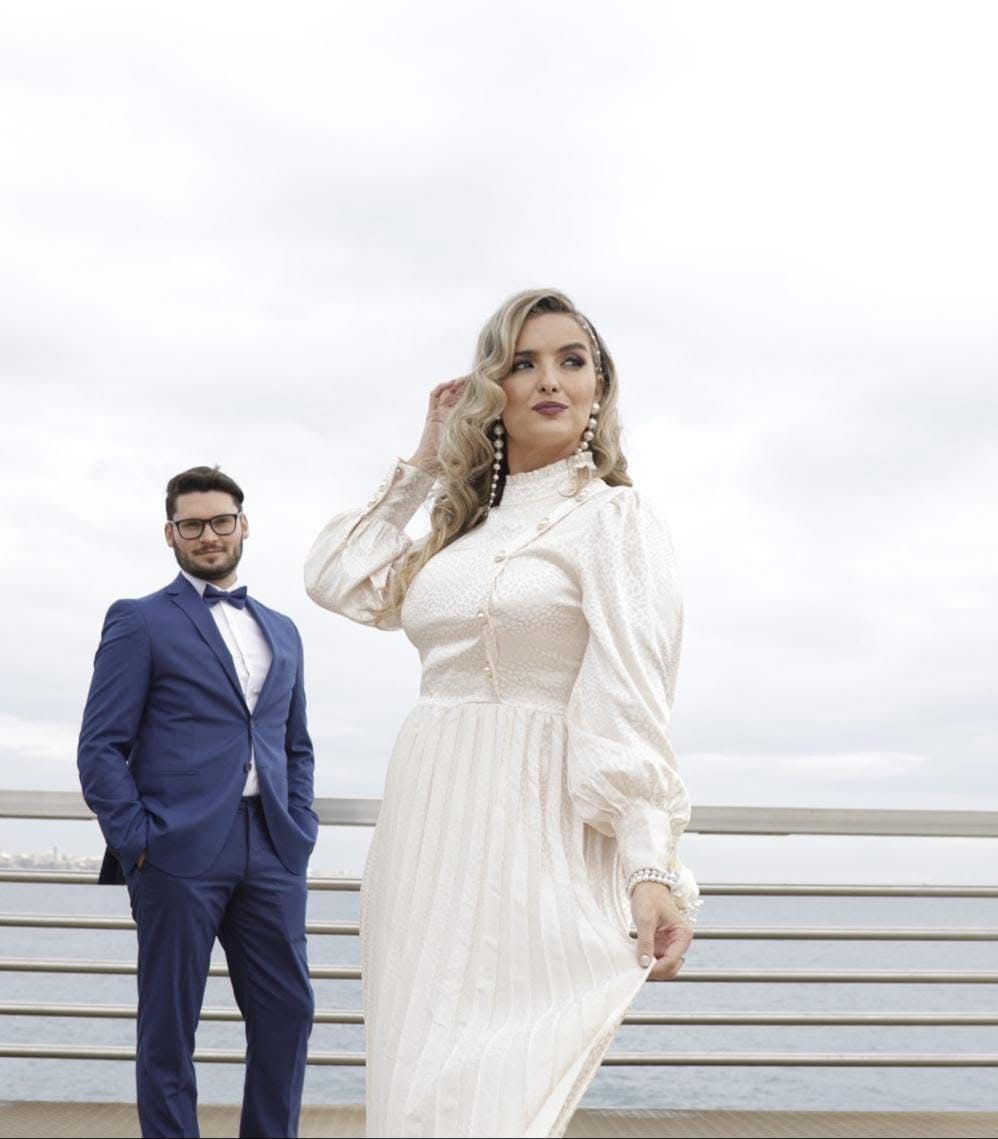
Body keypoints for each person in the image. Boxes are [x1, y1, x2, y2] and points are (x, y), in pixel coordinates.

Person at [304, 288, 702, 1137]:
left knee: (492, 1097)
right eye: (523, 362)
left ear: (600, 389)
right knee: (413, 1092)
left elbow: (632, 702)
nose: (549, 379)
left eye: (572, 360)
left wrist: (649, 867)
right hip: (426, 832)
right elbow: (336, 575)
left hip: (537, 830)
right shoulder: (458, 530)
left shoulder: (614, 519)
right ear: (493, 387)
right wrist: (420, 462)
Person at [77, 465, 320, 1138]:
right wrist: (140, 841)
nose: (208, 536)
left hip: (271, 845)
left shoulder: (284, 629)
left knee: (288, 1011)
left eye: (221, 521)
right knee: (169, 1026)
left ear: (243, 525)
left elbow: (294, 742)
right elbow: (99, 746)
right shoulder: (140, 620)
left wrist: (300, 826)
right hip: (175, 850)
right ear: (171, 534)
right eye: (192, 525)